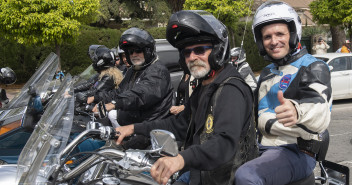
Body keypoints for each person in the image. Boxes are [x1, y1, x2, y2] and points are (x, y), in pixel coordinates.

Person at [114, 10, 257, 185]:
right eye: (187, 53)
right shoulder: (205, 86)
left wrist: (181, 159)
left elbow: (224, 142)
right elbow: (179, 124)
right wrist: (134, 128)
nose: (192, 57)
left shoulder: (231, 88)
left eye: (200, 50)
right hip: (199, 174)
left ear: (217, 51)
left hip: (224, 179)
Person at [235, 1, 332, 184]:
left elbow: (320, 110)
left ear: (293, 34)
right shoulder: (267, 72)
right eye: (267, 36)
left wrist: (297, 112)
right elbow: (251, 112)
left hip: (296, 151)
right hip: (261, 147)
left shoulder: (313, 67)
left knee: (247, 177)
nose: (274, 41)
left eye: (280, 34)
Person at [87, 27, 174, 148]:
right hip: (131, 128)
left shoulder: (158, 71)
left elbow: (141, 94)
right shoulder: (133, 71)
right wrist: (94, 97)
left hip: (149, 133)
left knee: (108, 155)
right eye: (130, 52)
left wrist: (114, 103)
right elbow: (117, 92)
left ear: (147, 51)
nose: (133, 55)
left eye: (137, 51)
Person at [74, 45, 123, 127]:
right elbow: (88, 84)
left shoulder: (109, 75)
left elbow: (95, 91)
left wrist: (77, 95)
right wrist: (71, 89)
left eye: (95, 60)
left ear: (101, 62)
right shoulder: (103, 72)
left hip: (105, 108)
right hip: (100, 103)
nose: (93, 62)